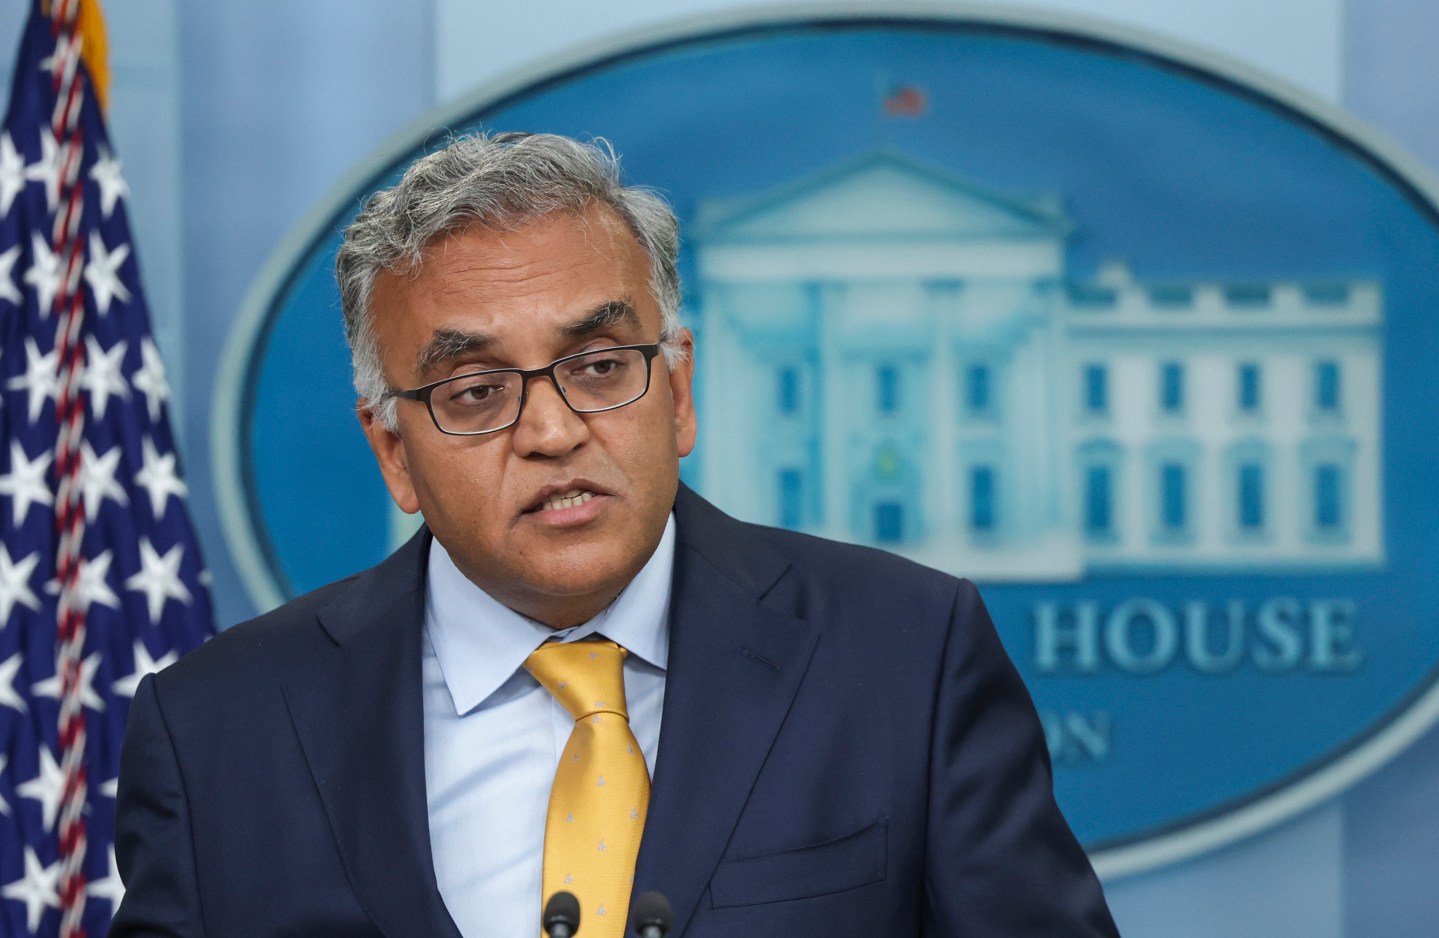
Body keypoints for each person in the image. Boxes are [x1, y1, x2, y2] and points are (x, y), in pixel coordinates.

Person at [112, 132, 1119, 937]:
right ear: (394, 453)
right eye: (475, 390)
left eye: (597, 367)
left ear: (676, 393)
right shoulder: (216, 734)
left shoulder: (905, 654)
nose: (551, 432)